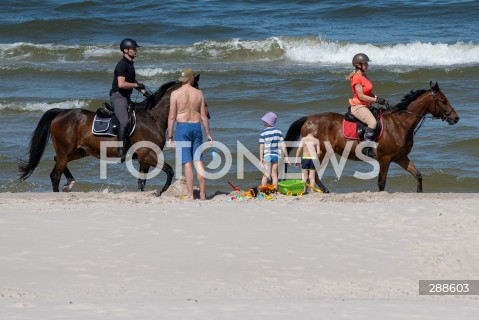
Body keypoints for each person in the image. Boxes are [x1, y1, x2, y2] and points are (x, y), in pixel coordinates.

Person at [168, 68, 212, 200]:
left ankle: (191, 194)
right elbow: (204, 116)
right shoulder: (199, 93)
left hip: (182, 128)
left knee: (187, 162)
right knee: (198, 160)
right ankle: (203, 194)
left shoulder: (175, 94)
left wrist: (170, 136)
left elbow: (171, 117)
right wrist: (208, 134)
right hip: (196, 127)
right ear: (191, 78)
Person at [110, 38, 151, 162]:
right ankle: (120, 152)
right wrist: (136, 86)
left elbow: (133, 82)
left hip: (126, 97)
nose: (135, 51)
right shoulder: (122, 65)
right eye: (133, 49)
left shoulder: (130, 64)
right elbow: (122, 84)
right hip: (118, 97)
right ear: (125, 50)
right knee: (124, 121)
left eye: (135, 48)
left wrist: (146, 94)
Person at [347, 53, 388, 158]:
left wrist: (379, 99)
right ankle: (365, 148)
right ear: (358, 65)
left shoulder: (364, 75)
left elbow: (368, 93)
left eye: (367, 63)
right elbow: (361, 96)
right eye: (365, 64)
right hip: (358, 106)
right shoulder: (356, 78)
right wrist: (376, 100)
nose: (367, 65)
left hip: (366, 105)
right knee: (373, 123)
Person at [259, 112, 290, 190]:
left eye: (264, 121)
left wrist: (261, 157)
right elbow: (283, 145)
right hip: (276, 156)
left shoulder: (263, 133)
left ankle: (263, 190)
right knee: (274, 175)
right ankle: (275, 190)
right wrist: (286, 156)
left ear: (267, 122)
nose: (263, 122)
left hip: (267, 156)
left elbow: (261, 146)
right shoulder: (278, 132)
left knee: (266, 174)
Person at [294, 129, 320, 193]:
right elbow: (318, 152)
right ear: (313, 131)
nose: (317, 132)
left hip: (305, 158)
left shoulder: (303, 139)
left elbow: (299, 150)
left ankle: (304, 191)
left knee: (304, 177)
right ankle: (312, 191)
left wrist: (296, 159)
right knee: (312, 177)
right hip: (313, 159)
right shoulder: (316, 140)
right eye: (316, 131)